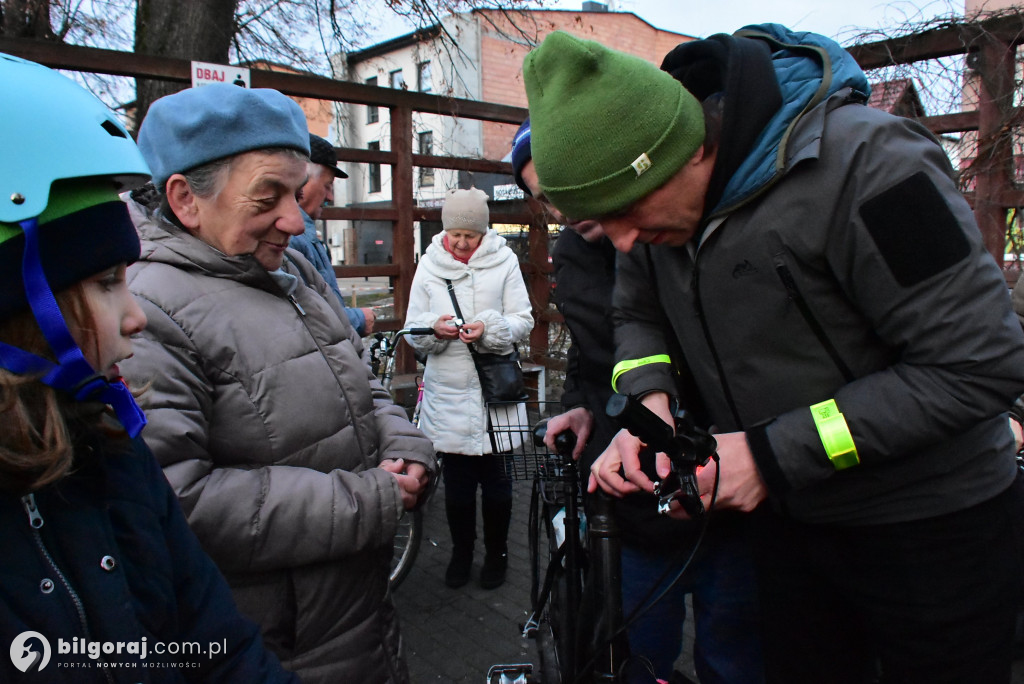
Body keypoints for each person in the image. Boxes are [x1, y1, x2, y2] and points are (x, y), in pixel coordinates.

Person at [524, 28, 1024, 683]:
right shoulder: (650, 219)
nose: (621, 243)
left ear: (685, 152)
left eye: (625, 211)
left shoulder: (872, 166)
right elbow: (637, 315)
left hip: (932, 528)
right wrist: (649, 408)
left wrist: (769, 455)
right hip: (791, 526)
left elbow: (976, 364)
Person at [119, 83, 437, 684]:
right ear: (185, 198)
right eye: (268, 197)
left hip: (353, 617)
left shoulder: (288, 270)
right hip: (277, 649)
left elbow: (359, 387)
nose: (295, 220)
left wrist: (406, 448)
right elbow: (178, 501)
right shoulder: (146, 313)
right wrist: (370, 500)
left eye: (296, 192)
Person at [0, 53, 296, 682]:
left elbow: (216, 644)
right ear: (17, 312)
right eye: (107, 283)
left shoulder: (108, 448)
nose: (135, 315)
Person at [512, 119, 762, 683]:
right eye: (544, 197)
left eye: (565, 186)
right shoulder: (573, 249)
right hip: (631, 490)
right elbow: (588, 343)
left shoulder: (674, 228)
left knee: (735, 650)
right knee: (637, 651)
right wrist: (579, 403)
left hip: (718, 476)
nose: (560, 206)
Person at [404, 187, 534, 590]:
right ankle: (461, 554)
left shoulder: (505, 261)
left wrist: (489, 328)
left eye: (470, 236)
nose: (460, 243)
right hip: (449, 391)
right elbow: (412, 329)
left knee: (498, 487)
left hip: (496, 392)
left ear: (484, 232)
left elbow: (523, 320)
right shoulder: (428, 265)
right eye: (454, 235)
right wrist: (434, 328)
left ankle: (497, 556)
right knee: (458, 490)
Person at [292, 133, 375, 336]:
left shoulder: (306, 235)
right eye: (327, 186)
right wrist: (358, 320)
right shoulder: (292, 237)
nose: (330, 197)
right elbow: (306, 317)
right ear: (301, 180)